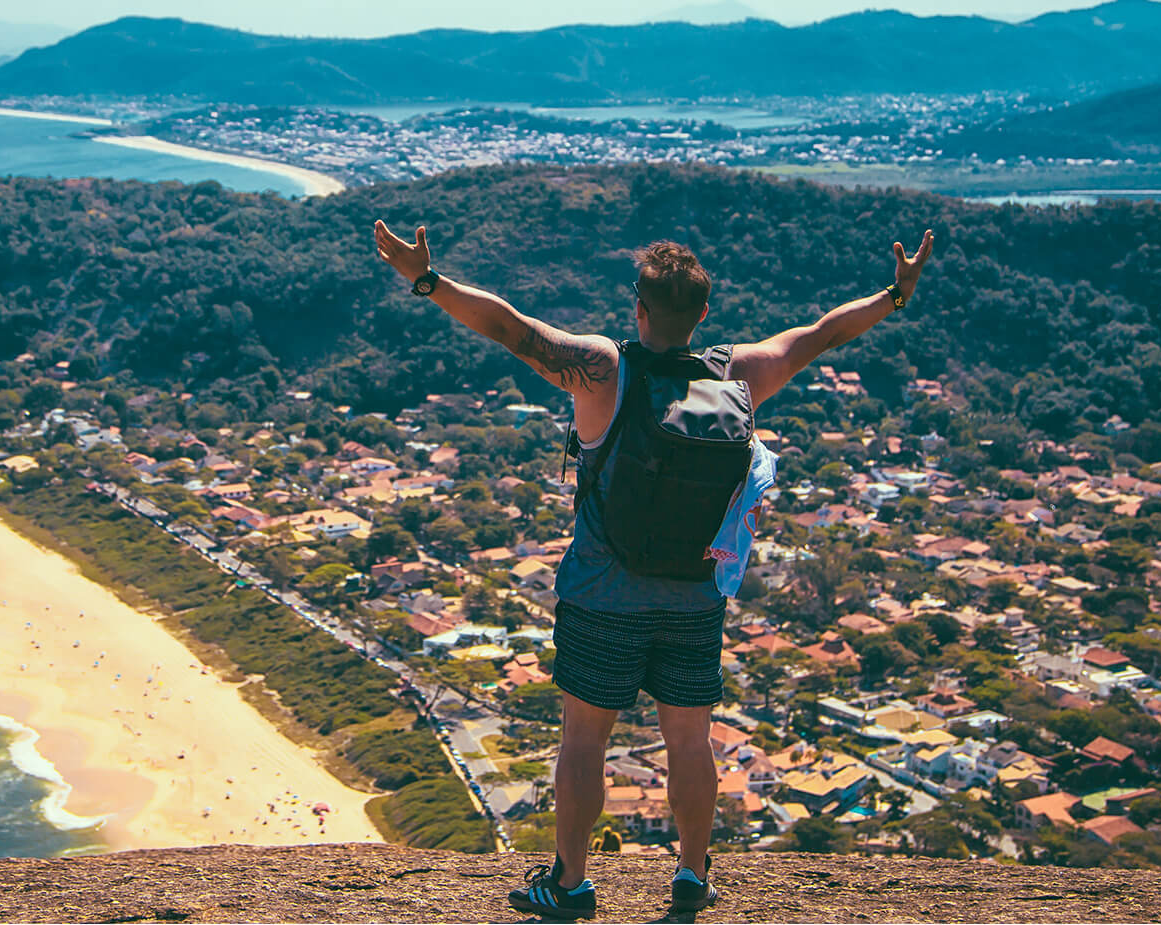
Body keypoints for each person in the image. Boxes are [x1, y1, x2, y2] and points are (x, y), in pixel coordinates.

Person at [372, 220, 934, 919]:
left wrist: (427, 281)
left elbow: (511, 328)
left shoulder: (606, 369)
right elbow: (821, 334)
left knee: (583, 740)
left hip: (602, 593)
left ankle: (571, 883)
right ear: (703, 314)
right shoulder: (739, 374)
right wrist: (895, 293)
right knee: (691, 742)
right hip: (696, 596)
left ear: (638, 308)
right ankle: (692, 875)